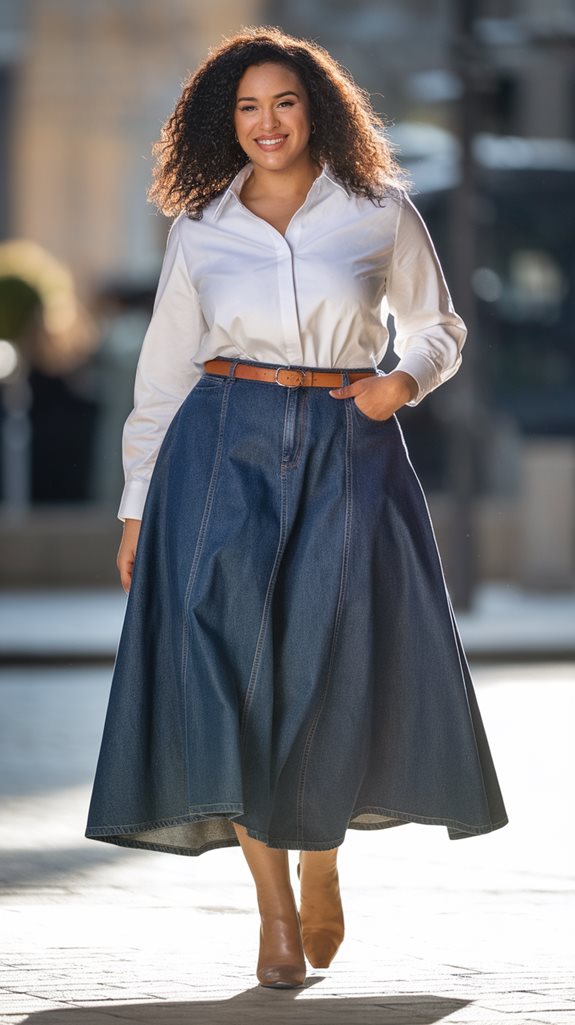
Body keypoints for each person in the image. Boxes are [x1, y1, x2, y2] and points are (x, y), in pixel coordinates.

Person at [85, 26, 508, 989]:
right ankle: (273, 910)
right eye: (245, 107)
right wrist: (136, 508)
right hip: (217, 443)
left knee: (327, 660)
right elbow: (160, 376)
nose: (265, 123)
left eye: (282, 103)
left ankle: (322, 857)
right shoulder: (199, 226)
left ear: (315, 109)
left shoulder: (376, 209)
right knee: (219, 663)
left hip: (344, 441)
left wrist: (396, 385)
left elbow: (439, 324)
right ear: (222, 122)